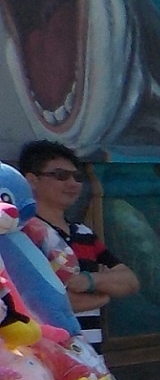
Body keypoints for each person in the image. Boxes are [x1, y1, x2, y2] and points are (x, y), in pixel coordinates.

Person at [17, 141, 140, 355]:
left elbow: (130, 282)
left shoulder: (83, 233)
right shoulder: (21, 234)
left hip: (93, 363)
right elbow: (38, 303)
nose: (73, 183)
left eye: (77, 177)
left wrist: (89, 281)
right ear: (32, 180)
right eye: (61, 176)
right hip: (47, 363)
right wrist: (102, 296)